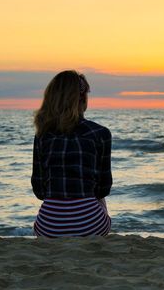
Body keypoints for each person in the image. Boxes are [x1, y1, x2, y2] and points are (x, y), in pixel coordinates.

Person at [31, 70, 112, 237]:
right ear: (82, 99)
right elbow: (103, 188)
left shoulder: (42, 135)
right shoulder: (100, 133)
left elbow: (39, 191)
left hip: (48, 228)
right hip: (91, 226)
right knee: (98, 200)